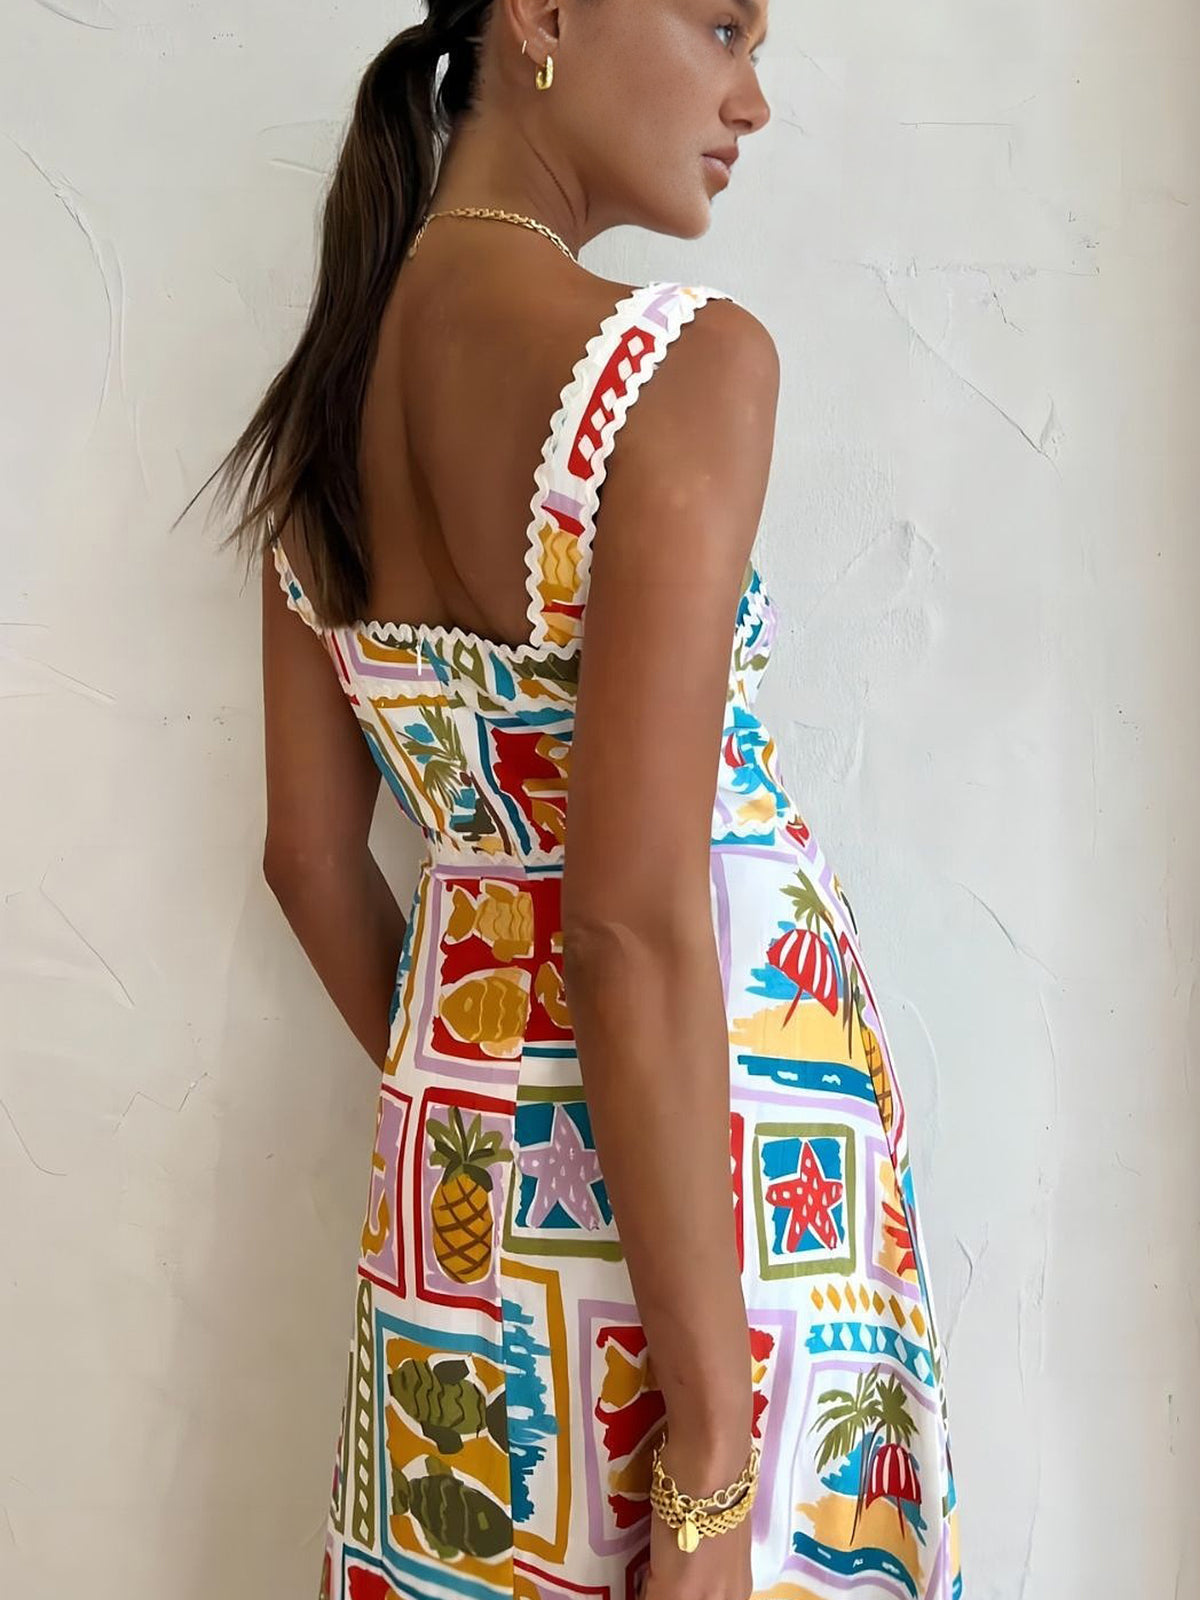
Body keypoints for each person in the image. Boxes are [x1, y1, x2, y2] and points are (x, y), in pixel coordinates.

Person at [202, 2, 963, 1597]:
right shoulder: (680, 364)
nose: (751, 99)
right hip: (712, 1237)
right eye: (723, 25)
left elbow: (308, 860)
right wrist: (714, 1452)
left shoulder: (327, 399)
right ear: (544, 16)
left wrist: (495, 1096)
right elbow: (622, 922)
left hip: (461, 1206)